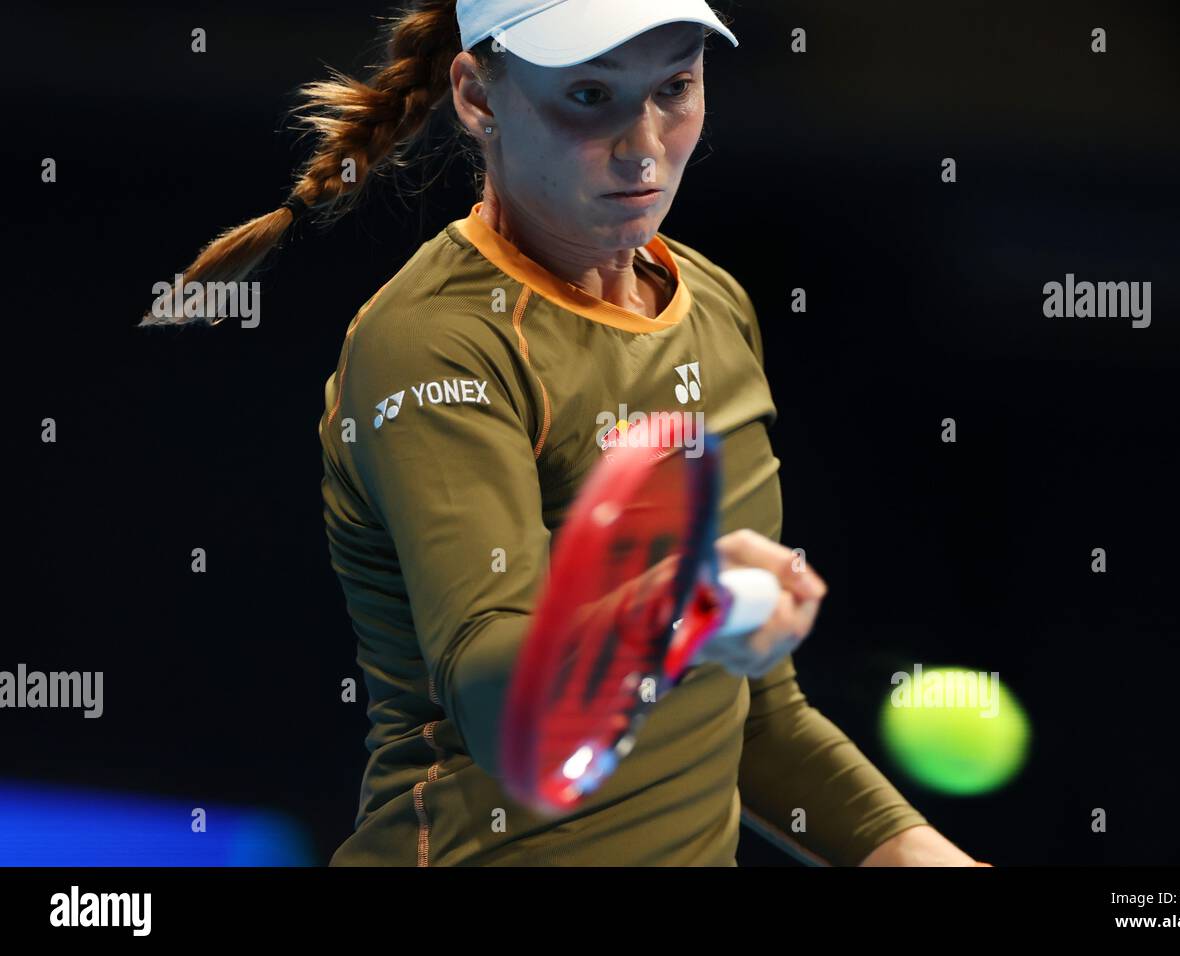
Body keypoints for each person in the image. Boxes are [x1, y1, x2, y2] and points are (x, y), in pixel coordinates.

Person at [142, 0, 985, 867]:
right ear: (477, 97)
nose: (645, 146)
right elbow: (500, 701)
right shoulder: (434, 343)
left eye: (676, 88)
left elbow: (754, 712)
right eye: (590, 94)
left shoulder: (718, 307)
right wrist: (685, 602)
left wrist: (919, 855)